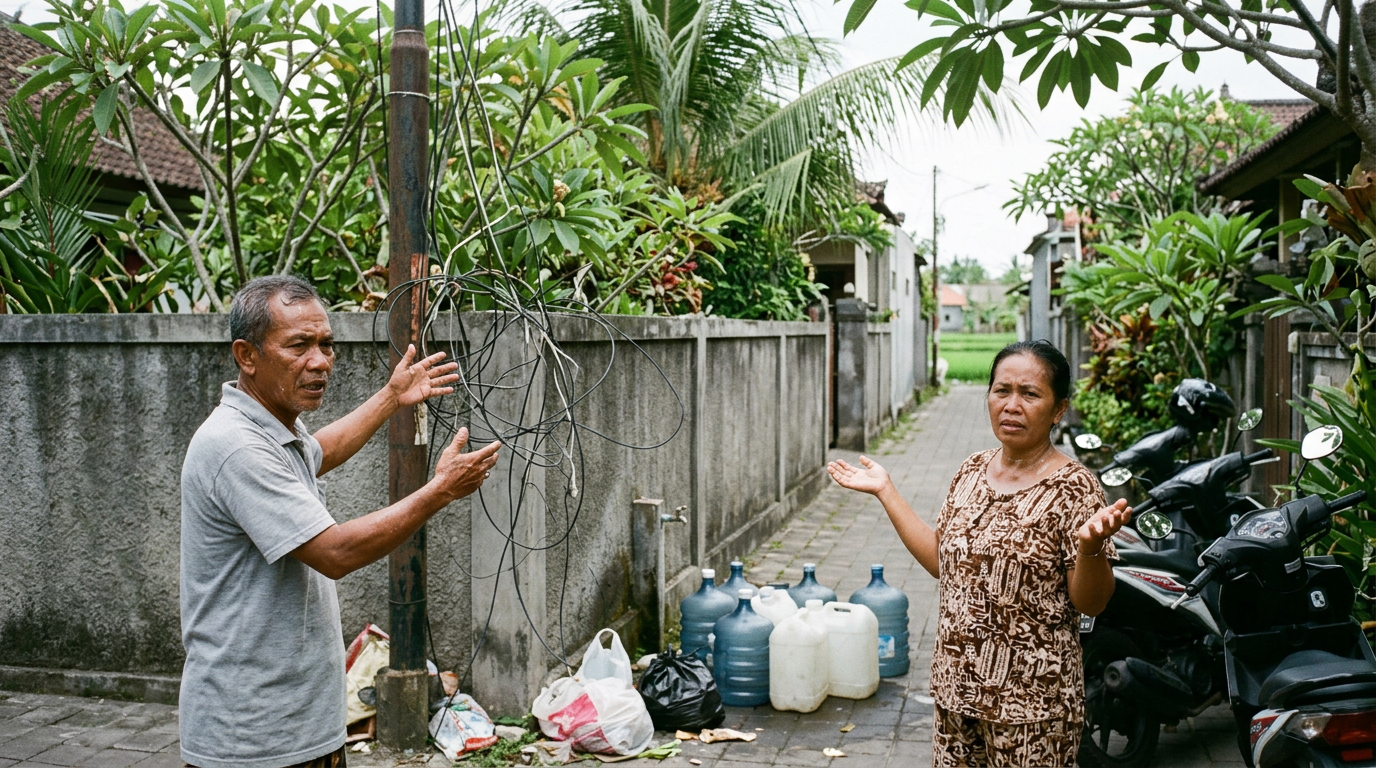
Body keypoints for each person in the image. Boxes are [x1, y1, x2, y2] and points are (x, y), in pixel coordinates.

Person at [179, 276, 501, 768]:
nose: (320, 361)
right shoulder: (236, 444)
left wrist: (391, 397)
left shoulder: (274, 426)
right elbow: (335, 553)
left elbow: (318, 452)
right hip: (253, 740)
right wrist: (439, 492)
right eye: (299, 346)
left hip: (302, 725)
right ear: (247, 356)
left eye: (326, 344)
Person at [827, 339, 1130, 767]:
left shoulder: (1075, 488)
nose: (1011, 405)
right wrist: (885, 490)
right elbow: (941, 562)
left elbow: (1092, 602)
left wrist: (1091, 549)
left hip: (1031, 709)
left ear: (1058, 409)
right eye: (1001, 390)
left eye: (1030, 394)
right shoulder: (971, 470)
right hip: (955, 692)